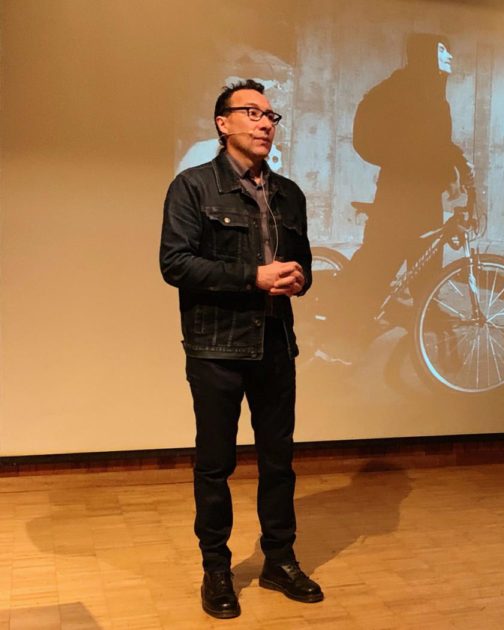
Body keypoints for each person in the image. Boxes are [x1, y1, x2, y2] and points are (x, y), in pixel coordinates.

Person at [160, 79, 322, 619]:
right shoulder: (192, 188)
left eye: (272, 115)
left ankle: (280, 560)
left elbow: (302, 267)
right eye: (251, 112)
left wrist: (299, 279)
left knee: (279, 461)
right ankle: (216, 571)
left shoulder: (289, 193)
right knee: (215, 464)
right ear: (222, 123)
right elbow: (175, 264)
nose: (265, 123)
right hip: (216, 348)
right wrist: (252, 276)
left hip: (276, 343)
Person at [317, 33, 472, 364]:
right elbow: (398, 142)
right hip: (399, 195)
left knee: (427, 272)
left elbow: (439, 145)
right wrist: (405, 161)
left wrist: (457, 170)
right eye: (443, 50)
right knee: (377, 269)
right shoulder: (399, 90)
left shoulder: (435, 96)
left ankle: (433, 360)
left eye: (450, 50)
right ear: (425, 54)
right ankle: (339, 343)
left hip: (426, 197)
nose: (450, 57)